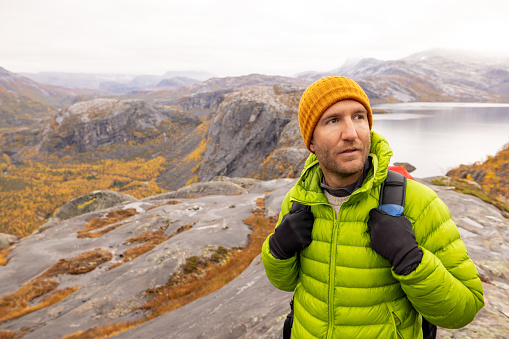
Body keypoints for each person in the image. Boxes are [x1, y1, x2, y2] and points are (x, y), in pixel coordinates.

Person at [262, 76, 484, 338]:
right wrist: (277, 250)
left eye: (358, 117)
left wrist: (410, 260)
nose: (351, 133)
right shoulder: (299, 200)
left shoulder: (418, 203)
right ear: (310, 142)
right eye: (333, 120)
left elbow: (463, 310)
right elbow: (284, 282)